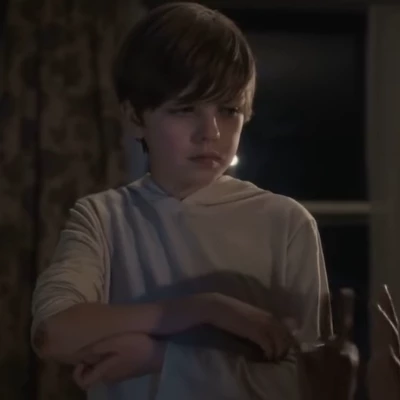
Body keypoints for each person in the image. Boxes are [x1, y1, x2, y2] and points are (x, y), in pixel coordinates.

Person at [31, 2, 331, 399]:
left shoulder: (286, 222)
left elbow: (315, 381)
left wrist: (161, 358)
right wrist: (204, 308)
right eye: (185, 109)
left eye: (229, 110)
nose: (211, 132)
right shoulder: (104, 218)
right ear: (136, 118)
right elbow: (53, 332)